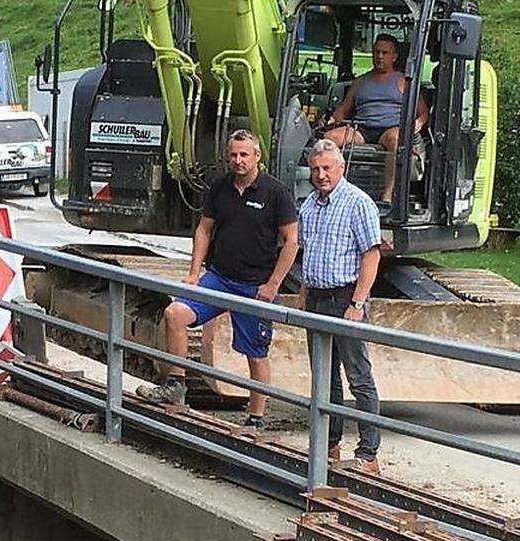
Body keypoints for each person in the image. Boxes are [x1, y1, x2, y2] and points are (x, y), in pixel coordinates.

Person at [136, 129, 298, 431]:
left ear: (257, 156)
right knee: (175, 314)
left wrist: (273, 284)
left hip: (253, 285)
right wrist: (194, 273)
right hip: (219, 278)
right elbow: (204, 229)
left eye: (244, 155)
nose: (238, 160)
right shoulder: (219, 187)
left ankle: (256, 418)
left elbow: (291, 241)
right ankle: (175, 385)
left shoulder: (276, 193)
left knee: (255, 353)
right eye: (233, 155)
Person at [297, 138, 382, 473]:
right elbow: (308, 252)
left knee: (358, 375)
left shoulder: (358, 204)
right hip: (317, 297)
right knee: (324, 376)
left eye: (327, 168)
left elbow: (371, 254)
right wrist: (303, 291)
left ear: (340, 168)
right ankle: (329, 444)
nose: (321, 175)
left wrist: (358, 302)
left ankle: (369, 452)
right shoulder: (308, 206)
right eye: (316, 169)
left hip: (346, 297)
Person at [323, 33, 428, 204]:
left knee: (396, 139)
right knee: (329, 139)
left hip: (390, 129)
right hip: (362, 129)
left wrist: (418, 123)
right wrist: (330, 121)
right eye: (377, 52)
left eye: (385, 53)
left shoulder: (404, 81)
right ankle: (334, 190)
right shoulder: (360, 82)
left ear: (394, 57)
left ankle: (387, 196)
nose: (380, 56)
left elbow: (423, 113)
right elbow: (342, 111)